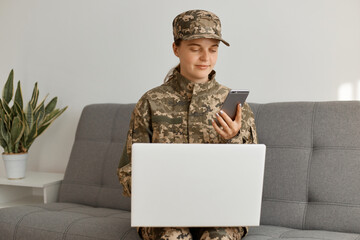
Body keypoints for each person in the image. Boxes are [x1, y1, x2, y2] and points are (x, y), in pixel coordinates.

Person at [117, 9, 258, 240]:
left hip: (222, 211)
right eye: (195, 49)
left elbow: (250, 173)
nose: (206, 58)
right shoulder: (150, 102)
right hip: (164, 212)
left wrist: (234, 138)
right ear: (176, 49)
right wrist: (152, 197)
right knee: (174, 236)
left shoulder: (234, 105)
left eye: (213, 49)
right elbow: (128, 168)